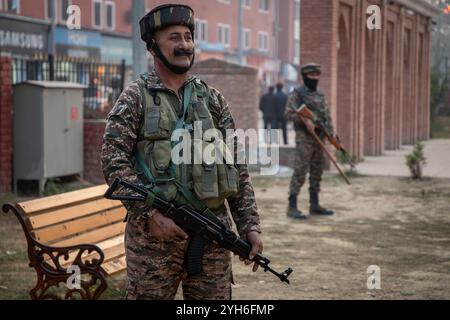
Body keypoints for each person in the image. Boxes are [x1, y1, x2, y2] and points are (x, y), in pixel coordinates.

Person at [101, 4, 262, 300]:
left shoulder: (213, 100)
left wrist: (249, 225)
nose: (185, 45)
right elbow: (113, 163)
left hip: (213, 235)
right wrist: (149, 212)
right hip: (153, 241)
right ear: (153, 46)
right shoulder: (135, 98)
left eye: (188, 37)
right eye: (174, 37)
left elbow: (237, 167)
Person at [284, 63, 335, 219]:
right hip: (304, 139)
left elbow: (326, 117)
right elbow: (288, 113)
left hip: (319, 138)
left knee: (317, 171)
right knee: (300, 171)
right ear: (305, 77)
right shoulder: (297, 94)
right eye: (312, 76)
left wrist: (331, 134)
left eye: (317, 76)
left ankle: (314, 205)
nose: (315, 79)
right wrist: (303, 120)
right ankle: (292, 207)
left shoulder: (320, 95)